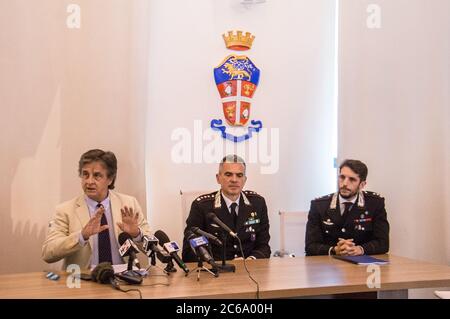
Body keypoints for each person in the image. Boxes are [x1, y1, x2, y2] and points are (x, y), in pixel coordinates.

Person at [42, 149, 151, 270]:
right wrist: (81, 236)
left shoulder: (129, 204)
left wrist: (136, 235)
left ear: (110, 179)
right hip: (84, 280)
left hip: (125, 277)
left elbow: (154, 249)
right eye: (85, 174)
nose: (89, 181)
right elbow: (48, 253)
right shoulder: (65, 210)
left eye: (97, 175)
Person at [182, 155, 271, 262]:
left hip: (250, 270)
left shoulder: (257, 203)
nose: (234, 180)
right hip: (216, 272)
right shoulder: (202, 206)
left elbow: (264, 246)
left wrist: (250, 261)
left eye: (239, 175)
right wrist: (221, 264)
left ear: (245, 180)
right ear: (218, 178)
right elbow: (189, 252)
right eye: (228, 174)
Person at [305, 159, 389, 256]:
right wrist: (334, 250)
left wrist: (360, 249)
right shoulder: (319, 205)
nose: (345, 183)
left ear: (362, 184)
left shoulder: (374, 204)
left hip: (362, 267)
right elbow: (310, 246)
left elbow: (383, 243)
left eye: (352, 179)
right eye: (342, 177)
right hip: (328, 266)